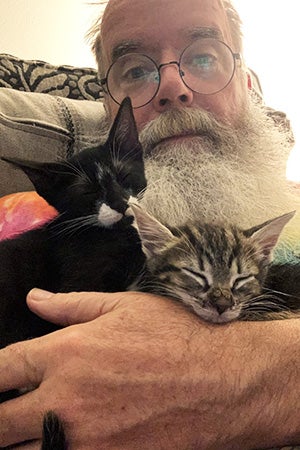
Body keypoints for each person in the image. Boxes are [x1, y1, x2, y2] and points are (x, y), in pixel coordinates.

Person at [0, 0, 300, 448]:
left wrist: (266, 378)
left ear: (248, 84)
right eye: (136, 71)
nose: (172, 87)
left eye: (203, 56)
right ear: (108, 108)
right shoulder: (40, 223)